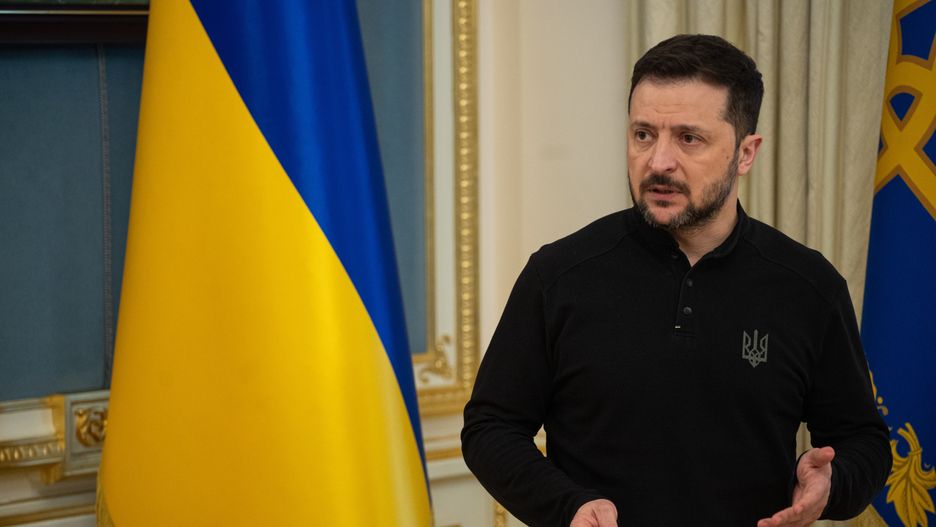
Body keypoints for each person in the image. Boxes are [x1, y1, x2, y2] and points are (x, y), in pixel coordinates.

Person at [461, 34, 891, 527]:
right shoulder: (558, 274)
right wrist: (569, 506)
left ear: (746, 153)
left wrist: (829, 486)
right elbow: (490, 428)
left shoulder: (810, 287)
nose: (658, 161)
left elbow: (865, 442)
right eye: (643, 134)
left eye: (689, 138)